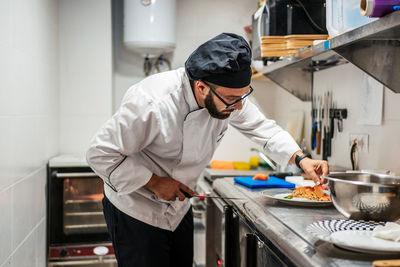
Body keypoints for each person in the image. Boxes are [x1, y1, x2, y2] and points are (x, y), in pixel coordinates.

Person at [86, 32, 329, 267]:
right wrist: (155, 182)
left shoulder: (229, 94)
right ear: (201, 87)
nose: (239, 105)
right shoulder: (151, 102)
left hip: (178, 209)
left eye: (243, 96)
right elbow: (100, 154)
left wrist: (301, 159)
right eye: (233, 99)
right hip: (135, 210)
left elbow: (263, 128)